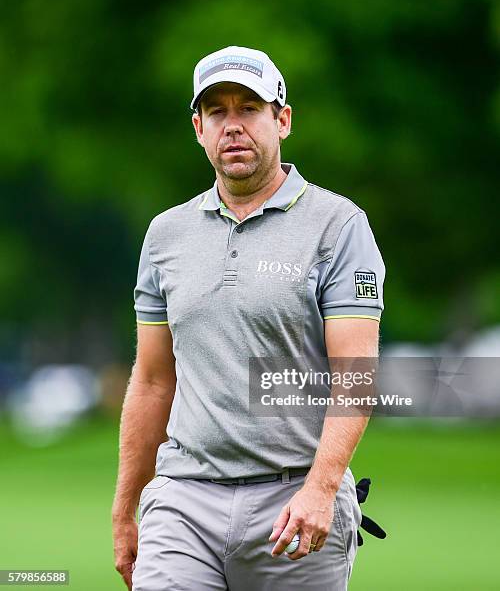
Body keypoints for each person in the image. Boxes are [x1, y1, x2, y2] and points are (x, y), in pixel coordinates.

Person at [112, 45, 385, 591]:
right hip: (184, 500)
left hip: (294, 503)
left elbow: (354, 377)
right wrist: (125, 510)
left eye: (249, 109)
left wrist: (322, 488)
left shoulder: (339, 226)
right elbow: (151, 380)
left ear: (282, 120)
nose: (232, 126)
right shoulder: (165, 236)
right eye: (217, 112)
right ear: (198, 128)